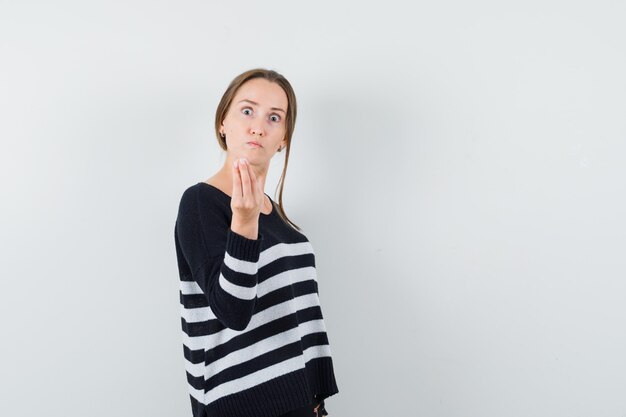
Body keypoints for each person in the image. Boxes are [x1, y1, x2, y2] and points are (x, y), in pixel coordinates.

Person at [174, 68, 339, 417]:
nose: (258, 126)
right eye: (247, 111)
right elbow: (232, 311)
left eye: (274, 117)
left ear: (283, 138)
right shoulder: (201, 203)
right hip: (245, 403)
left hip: (300, 398)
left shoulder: (276, 215)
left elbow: (300, 317)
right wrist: (244, 223)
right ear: (223, 122)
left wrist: (316, 397)